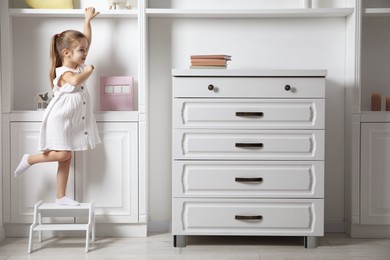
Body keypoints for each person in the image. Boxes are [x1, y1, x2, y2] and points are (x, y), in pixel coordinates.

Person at [13, 7, 101, 206]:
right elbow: (77, 80)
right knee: (64, 154)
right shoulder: (64, 72)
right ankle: (30, 159)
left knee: (65, 158)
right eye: (82, 51)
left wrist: (87, 21)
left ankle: (60, 196)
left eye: (86, 50)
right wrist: (89, 70)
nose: (86, 53)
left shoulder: (76, 64)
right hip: (60, 119)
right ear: (66, 53)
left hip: (71, 120)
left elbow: (87, 39)